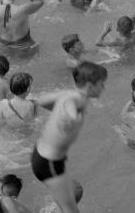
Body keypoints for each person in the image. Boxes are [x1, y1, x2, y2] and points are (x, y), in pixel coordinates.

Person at [32, 62, 107, 213]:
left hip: (46, 156)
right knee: (70, 209)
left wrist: (58, 108)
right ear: (89, 86)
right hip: (49, 161)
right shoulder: (76, 99)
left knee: (71, 201)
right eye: (101, 84)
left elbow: (41, 101)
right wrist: (71, 117)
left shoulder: (69, 94)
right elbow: (70, 105)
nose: (103, 88)